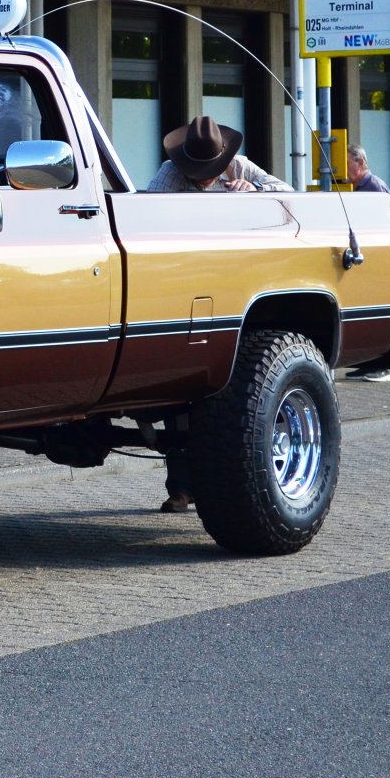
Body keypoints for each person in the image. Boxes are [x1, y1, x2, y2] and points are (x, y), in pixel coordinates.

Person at [147, 117, 292, 513]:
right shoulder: (169, 175)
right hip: (185, 290)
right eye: (199, 174)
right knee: (179, 399)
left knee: (224, 397)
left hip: (232, 292)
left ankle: (216, 487)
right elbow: (151, 217)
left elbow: (289, 195)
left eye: (211, 173)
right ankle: (181, 488)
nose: (206, 179)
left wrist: (253, 192)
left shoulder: (240, 167)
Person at [344, 144, 390, 383]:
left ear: (361, 162)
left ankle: (381, 366)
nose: (344, 170)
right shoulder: (361, 188)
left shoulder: (373, 188)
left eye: (347, 164)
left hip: (379, 260)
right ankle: (368, 365)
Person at [146, 116, 293, 194]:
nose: (205, 176)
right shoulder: (171, 171)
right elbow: (149, 209)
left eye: (211, 169)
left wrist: (256, 188)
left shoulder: (239, 166)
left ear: (224, 160)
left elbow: (287, 190)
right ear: (184, 164)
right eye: (198, 169)